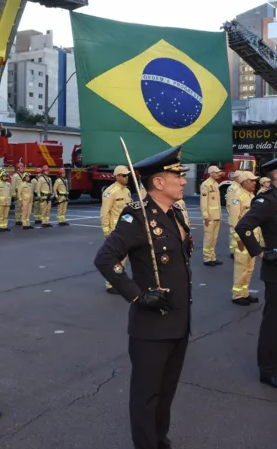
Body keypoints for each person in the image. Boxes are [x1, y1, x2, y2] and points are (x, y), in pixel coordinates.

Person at [93, 146, 193, 449]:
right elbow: (105, 258)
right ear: (159, 183)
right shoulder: (137, 217)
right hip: (151, 325)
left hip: (178, 321)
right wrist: (137, 296)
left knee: (166, 393)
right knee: (147, 395)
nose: (184, 181)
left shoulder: (174, 214)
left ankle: (159, 441)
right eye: (178, 176)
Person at [234, 153, 277, 390]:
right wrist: (262, 252)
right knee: (273, 323)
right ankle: (268, 370)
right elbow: (243, 227)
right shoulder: (265, 201)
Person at [228, 171, 259, 305]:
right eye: (251, 180)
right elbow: (234, 220)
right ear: (244, 182)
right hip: (242, 239)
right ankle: (237, 295)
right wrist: (238, 239)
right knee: (241, 267)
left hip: (252, 237)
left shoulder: (251, 195)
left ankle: (245, 293)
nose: (254, 182)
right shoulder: (237, 197)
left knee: (250, 267)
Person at [101, 166, 133, 294]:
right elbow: (105, 213)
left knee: (123, 258)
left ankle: (119, 282)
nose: (127, 178)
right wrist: (106, 231)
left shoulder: (126, 191)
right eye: (124, 175)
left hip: (126, 228)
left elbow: (128, 210)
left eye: (127, 175)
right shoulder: (110, 191)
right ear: (117, 176)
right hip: (115, 230)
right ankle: (111, 284)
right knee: (115, 258)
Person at [199, 165, 224, 266]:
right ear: (211, 173)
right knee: (208, 238)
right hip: (209, 217)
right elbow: (204, 202)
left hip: (216, 216)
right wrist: (205, 216)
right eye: (216, 172)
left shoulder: (216, 184)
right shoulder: (206, 185)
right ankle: (207, 258)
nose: (218, 174)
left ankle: (212, 257)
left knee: (214, 238)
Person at [224, 171, 241, 257]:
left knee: (238, 233)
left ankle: (237, 249)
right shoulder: (232, 188)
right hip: (234, 214)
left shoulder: (239, 187)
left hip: (239, 214)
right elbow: (229, 203)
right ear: (237, 177)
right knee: (233, 233)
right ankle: (233, 251)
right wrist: (232, 214)